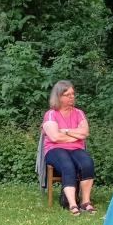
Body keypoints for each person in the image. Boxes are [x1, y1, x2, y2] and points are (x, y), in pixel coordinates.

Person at [41, 80, 95, 215]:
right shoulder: (51, 114)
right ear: (59, 97)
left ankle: (85, 201)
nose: (72, 97)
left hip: (76, 149)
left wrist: (64, 131)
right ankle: (72, 204)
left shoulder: (79, 113)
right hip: (54, 150)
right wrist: (74, 134)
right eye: (67, 94)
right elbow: (54, 138)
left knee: (87, 163)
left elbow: (85, 133)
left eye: (73, 94)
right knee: (67, 165)